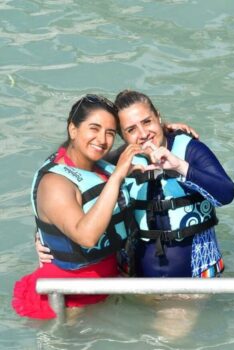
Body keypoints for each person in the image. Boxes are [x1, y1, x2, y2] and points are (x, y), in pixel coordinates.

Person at [13, 94, 142, 319]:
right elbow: (87, 237)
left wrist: (165, 129)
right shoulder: (55, 184)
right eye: (94, 128)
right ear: (73, 129)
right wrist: (118, 176)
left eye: (110, 133)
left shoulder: (96, 166)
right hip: (68, 302)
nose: (102, 139)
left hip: (107, 285)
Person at [113, 90, 234, 278]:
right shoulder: (121, 160)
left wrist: (180, 166)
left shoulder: (190, 150)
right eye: (131, 130)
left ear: (158, 117)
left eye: (147, 122)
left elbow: (226, 194)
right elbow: (69, 170)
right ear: (122, 136)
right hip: (134, 278)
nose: (144, 133)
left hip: (194, 275)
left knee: (177, 309)